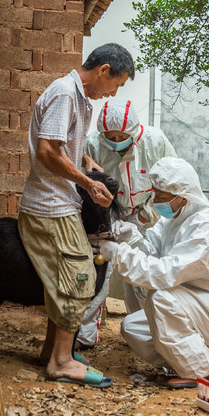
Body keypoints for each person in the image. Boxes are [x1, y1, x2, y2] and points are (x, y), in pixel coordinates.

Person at [17, 43, 134, 388]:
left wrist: (84, 160)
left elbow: (62, 143)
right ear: (103, 70)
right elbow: (48, 151)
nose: (112, 92)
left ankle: (53, 350)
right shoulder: (65, 93)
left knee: (67, 278)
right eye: (116, 84)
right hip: (50, 206)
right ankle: (61, 362)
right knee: (80, 277)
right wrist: (86, 183)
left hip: (60, 201)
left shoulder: (78, 98)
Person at [98, 157, 209, 388]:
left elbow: (164, 273)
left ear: (182, 195)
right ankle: (192, 356)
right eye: (155, 194)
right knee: (132, 327)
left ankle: (202, 370)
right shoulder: (174, 218)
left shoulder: (205, 225)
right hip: (199, 303)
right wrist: (131, 238)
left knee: (161, 297)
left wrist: (120, 254)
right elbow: (153, 252)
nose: (156, 201)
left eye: (162, 197)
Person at [76, 100, 177, 347]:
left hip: (145, 217)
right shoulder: (92, 144)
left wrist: (146, 216)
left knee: (141, 273)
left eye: (121, 135)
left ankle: (144, 332)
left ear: (134, 130)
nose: (115, 139)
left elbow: (173, 181)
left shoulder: (155, 141)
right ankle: (85, 336)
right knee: (99, 272)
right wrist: (106, 221)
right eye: (110, 135)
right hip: (107, 217)